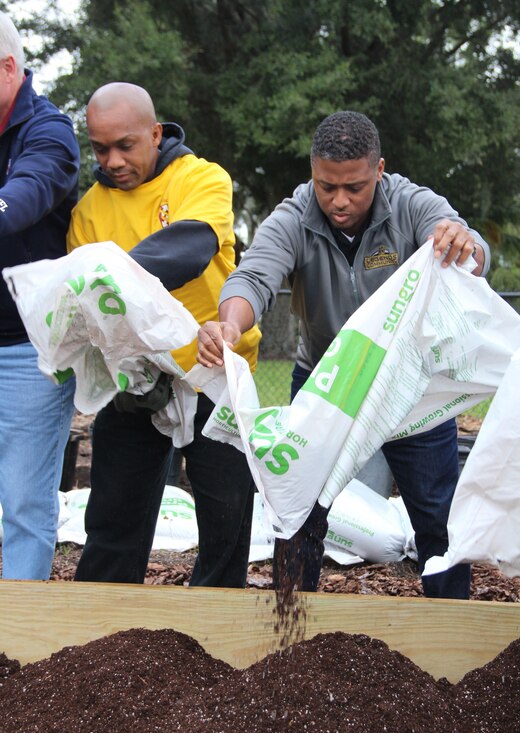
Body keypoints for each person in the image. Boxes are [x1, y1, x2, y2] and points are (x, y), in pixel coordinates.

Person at [197, 110, 490, 600]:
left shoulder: (412, 204)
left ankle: (451, 627)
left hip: (409, 387)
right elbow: (253, 277)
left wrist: (467, 246)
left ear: (379, 170)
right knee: (300, 514)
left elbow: (468, 246)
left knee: (438, 520)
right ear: (313, 172)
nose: (338, 201)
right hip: (324, 384)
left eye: (353, 187)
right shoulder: (293, 218)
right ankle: (293, 631)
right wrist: (230, 321)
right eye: (325, 185)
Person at [68, 82, 261, 587]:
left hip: (215, 375)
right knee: (113, 523)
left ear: (155, 133)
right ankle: (99, 638)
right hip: (136, 381)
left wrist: (109, 273)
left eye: (125, 145)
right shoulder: (88, 210)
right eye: (100, 147)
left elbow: (190, 247)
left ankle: (214, 641)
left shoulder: (201, 178)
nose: (111, 160)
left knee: (226, 524)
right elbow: (87, 309)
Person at [0, 12, 80, 579]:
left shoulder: (49, 133)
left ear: (7, 68)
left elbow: (20, 202)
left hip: (26, 352)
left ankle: (17, 650)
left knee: (25, 505)